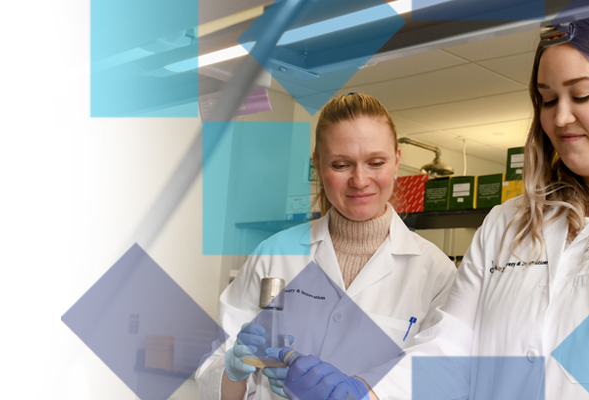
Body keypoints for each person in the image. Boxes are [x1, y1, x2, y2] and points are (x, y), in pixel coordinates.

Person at [275, 8, 589, 400]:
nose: (560, 117)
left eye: (582, 94)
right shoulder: (506, 222)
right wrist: (369, 393)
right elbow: (452, 347)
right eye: (547, 100)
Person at [195, 93, 458, 400]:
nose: (360, 180)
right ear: (318, 165)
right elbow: (213, 378)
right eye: (341, 164)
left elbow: (438, 382)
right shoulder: (274, 254)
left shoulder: (436, 272)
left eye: (376, 162)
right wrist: (232, 370)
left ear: (397, 161)